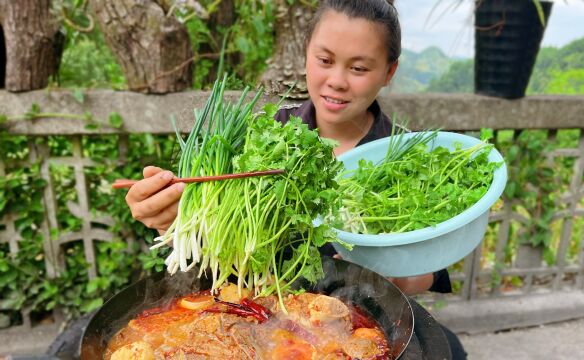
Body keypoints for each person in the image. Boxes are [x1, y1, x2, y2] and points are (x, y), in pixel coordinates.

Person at [125, 0, 466, 358]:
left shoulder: (407, 158)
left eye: (359, 67)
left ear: (389, 71)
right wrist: (171, 223)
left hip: (356, 322)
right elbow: (214, 250)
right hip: (249, 321)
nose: (336, 80)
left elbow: (432, 267)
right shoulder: (259, 141)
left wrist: (394, 275)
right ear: (305, 56)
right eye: (324, 60)